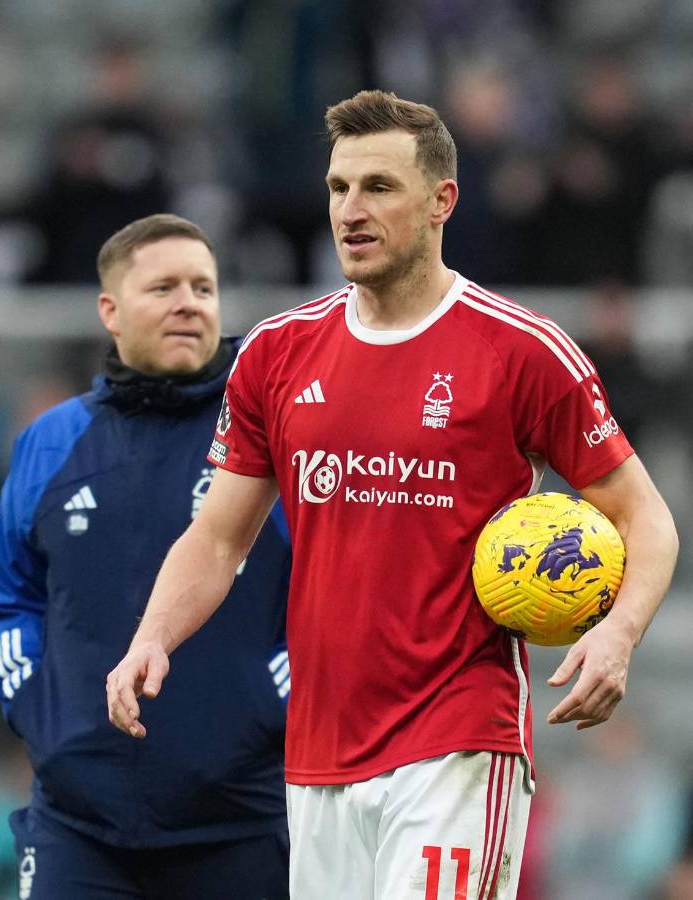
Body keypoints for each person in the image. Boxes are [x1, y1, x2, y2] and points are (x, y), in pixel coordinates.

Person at [106, 92, 679, 899]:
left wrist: (617, 634)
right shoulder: (275, 353)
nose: (350, 210)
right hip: (316, 749)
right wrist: (151, 638)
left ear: (441, 200)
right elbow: (217, 538)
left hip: (457, 738)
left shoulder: (520, 351)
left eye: (378, 187)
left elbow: (643, 517)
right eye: (339, 188)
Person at [0, 214, 292, 899]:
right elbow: (12, 597)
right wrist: (43, 713)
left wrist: (271, 704)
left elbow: (325, 599)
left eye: (203, 288)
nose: (189, 302)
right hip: (76, 826)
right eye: (164, 287)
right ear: (110, 310)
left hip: (240, 821)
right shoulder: (50, 442)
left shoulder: (270, 443)